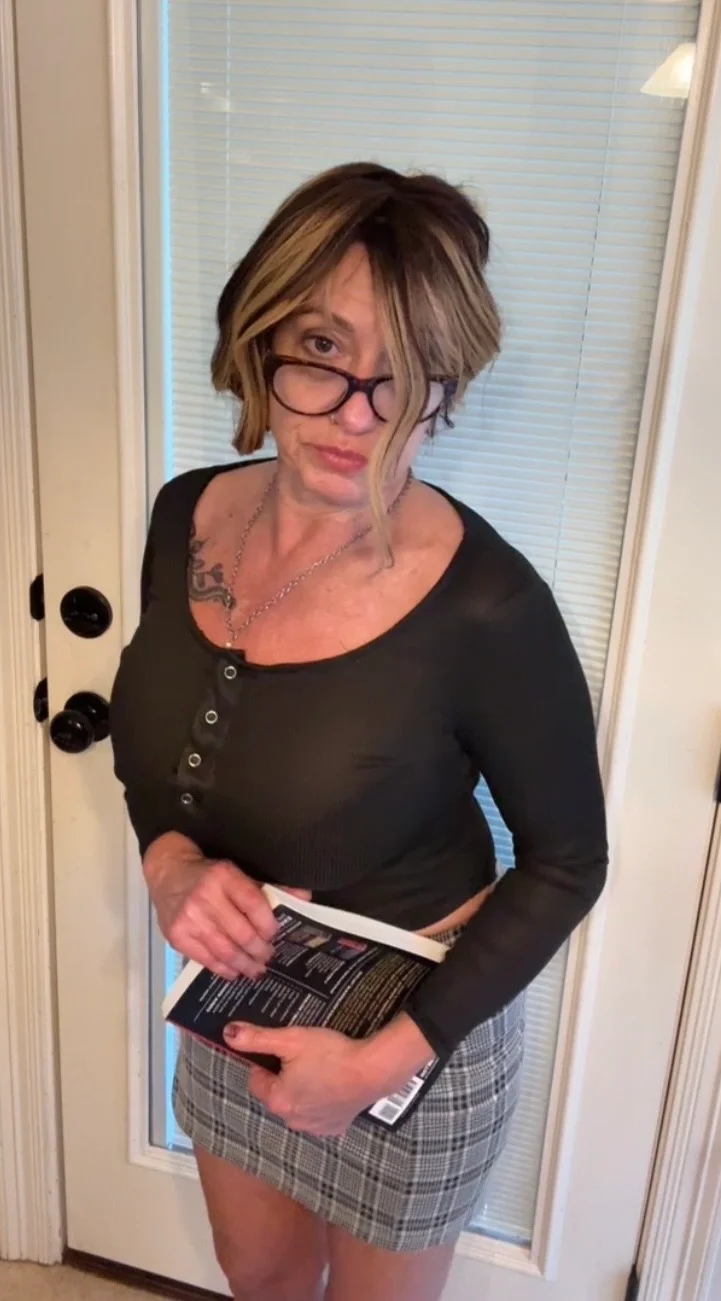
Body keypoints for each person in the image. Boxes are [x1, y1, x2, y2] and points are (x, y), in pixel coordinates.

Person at [110, 161, 608, 1301]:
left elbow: (568, 861)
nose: (357, 416)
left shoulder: (489, 605)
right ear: (259, 340)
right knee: (259, 1273)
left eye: (407, 372)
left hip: (412, 1040)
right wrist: (169, 861)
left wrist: (377, 1060)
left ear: (447, 383)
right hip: (238, 1004)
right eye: (322, 350)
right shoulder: (185, 514)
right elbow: (154, 749)